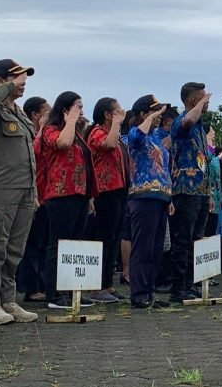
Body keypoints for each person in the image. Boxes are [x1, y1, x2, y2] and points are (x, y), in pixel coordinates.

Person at [0, 60, 39, 325]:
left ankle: (8, 301)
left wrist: (32, 190)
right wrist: (7, 88)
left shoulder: (18, 112)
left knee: (14, 250)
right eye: (16, 77)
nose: (24, 80)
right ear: (0, 81)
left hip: (23, 190)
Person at [38, 91, 96, 309]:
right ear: (64, 109)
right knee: (59, 244)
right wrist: (70, 120)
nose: (81, 112)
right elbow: (62, 143)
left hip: (80, 193)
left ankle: (73, 291)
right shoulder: (51, 130)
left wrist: (89, 195)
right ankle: (54, 294)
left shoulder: (78, 134)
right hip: (60, 193)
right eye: (77, 107)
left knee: (74, 244)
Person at [126, 95, 171, 309]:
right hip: (143, 195)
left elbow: (164, 168)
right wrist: (149, 118)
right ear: (144, 114)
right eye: (154, 113)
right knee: (142, 247)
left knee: (155, 248)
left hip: (160, 195)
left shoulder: (155, 138)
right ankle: (139, 293)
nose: (158, 117)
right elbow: (134, 138)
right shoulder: (136, 134)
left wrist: (169, 195)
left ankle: (150, 290)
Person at [169, 83, 212, 303]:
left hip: (201, 191)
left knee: (197, 239)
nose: (208, 102)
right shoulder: (181, 121)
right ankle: (178, 287)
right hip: (185, 189)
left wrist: (209, 193)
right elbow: (187, 121)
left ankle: (189, 283)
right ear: (194, 101)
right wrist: (201, 104)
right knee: (183, 239)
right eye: (203, 99)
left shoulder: (201, 127)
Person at [85, 97, 128, 303]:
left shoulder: (115, 133)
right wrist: (117, 124)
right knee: (103, 238)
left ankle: (108, 283)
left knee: (113, 238)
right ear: (107, 115)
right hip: (104, 192)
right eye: (117, 111)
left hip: (118, 190)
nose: (121, 113)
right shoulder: (97, 132)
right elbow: (109, 145)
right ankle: (96, 286)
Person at [16, 96, 50, 303]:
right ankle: (31, 288)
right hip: (32, 195)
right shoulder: (29, 135)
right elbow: (34, 153)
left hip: (48, 195)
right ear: (35, 115)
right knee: (31, 245)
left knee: (44, 243)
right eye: (46, 112)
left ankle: (43, 284)